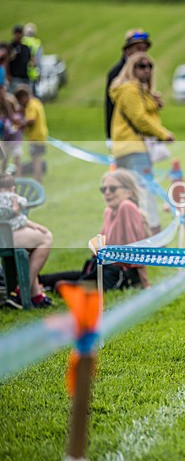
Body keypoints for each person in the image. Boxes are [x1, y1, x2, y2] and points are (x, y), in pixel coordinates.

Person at [40, 169, 151, 293]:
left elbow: (135, 248)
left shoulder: (127, 207)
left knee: (63, 287)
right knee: (45, 279)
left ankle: (46, 291)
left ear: (128, 192)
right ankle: (31, 290)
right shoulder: (108, 211)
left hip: (116, 275)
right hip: (99, 268)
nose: (107, 193)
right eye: (104, 190)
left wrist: (144, 283)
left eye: (112, 189)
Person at [109, 51, 174, 235]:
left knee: (131, 197)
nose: (146, 70)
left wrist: (153, 102)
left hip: (128, 148)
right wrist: (163, 134)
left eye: (149, 66)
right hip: (133, 148)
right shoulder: (130, 90)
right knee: (146, 195)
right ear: (131, 68)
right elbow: (139, 119)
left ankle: (134, 236)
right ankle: (152, 238)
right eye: (141, 66)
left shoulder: (137, 91)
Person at [0, 173, 53, 308]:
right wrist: (15, 206)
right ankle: (20, 292)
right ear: (12, 188)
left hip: (9, 231)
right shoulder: (12, 198)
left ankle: (35, 295)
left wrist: (30, 223)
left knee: (34, 244)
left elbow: (16, 218)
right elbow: (17, 209)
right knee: (45, 239)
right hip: (5, 236)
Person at [105, 29, 151, 142]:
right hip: (125, 135)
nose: (142, 52)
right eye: (138, 48)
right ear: (127, 50)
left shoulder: (144, 69)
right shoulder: (117, 73)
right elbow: (112, 106)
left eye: (144, 49)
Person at [14, 85, 48, 183]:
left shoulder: (31, 105)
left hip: (36, 136)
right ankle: (38, 177)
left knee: (35, 158)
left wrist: (20, 125)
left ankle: (38, 178)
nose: (21, 104)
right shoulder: (36, 101)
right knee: (37, 157)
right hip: (41, 134)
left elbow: (31, 120)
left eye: (20, 101)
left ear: (23, 97)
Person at [21, 23, 43, 97]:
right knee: (32, 96)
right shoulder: (36, 43)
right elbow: (39, 60)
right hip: (33, 73)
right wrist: (40, 73)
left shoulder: (22, 41)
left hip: (21, 73)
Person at [8, 25, 32, 93]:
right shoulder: (10, 47)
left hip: (25, 77)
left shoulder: (25, 48)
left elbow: (29, 61)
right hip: (15, 77)